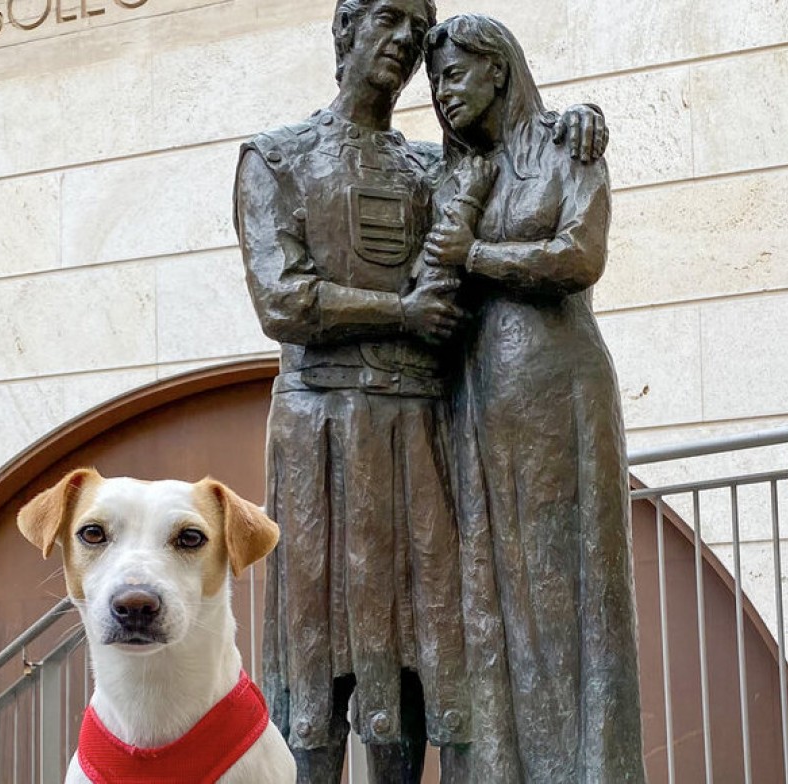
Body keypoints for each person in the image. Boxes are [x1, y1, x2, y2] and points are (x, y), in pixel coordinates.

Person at [232, 3, 608, 780]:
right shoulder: (276, 158)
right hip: (324, 434)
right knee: (315, 660)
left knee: (431, 655)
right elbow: (284, 301)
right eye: (388, 17)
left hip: (424, 434)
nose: (404, 39)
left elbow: (518, 172)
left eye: (417, 24)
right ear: (345, 31)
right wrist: (401, 311)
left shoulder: (436, 166)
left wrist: (571, 124)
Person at [422, 14, 646, 783]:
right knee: (493, 596)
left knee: (570, 590)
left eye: (453, 75)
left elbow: (579, 255)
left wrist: (474, 256)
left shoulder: (566, 146)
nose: (442, 94)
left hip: (557, 390)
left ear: (497, 69)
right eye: (435, 82)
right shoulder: (456, 175)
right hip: (477, 399)